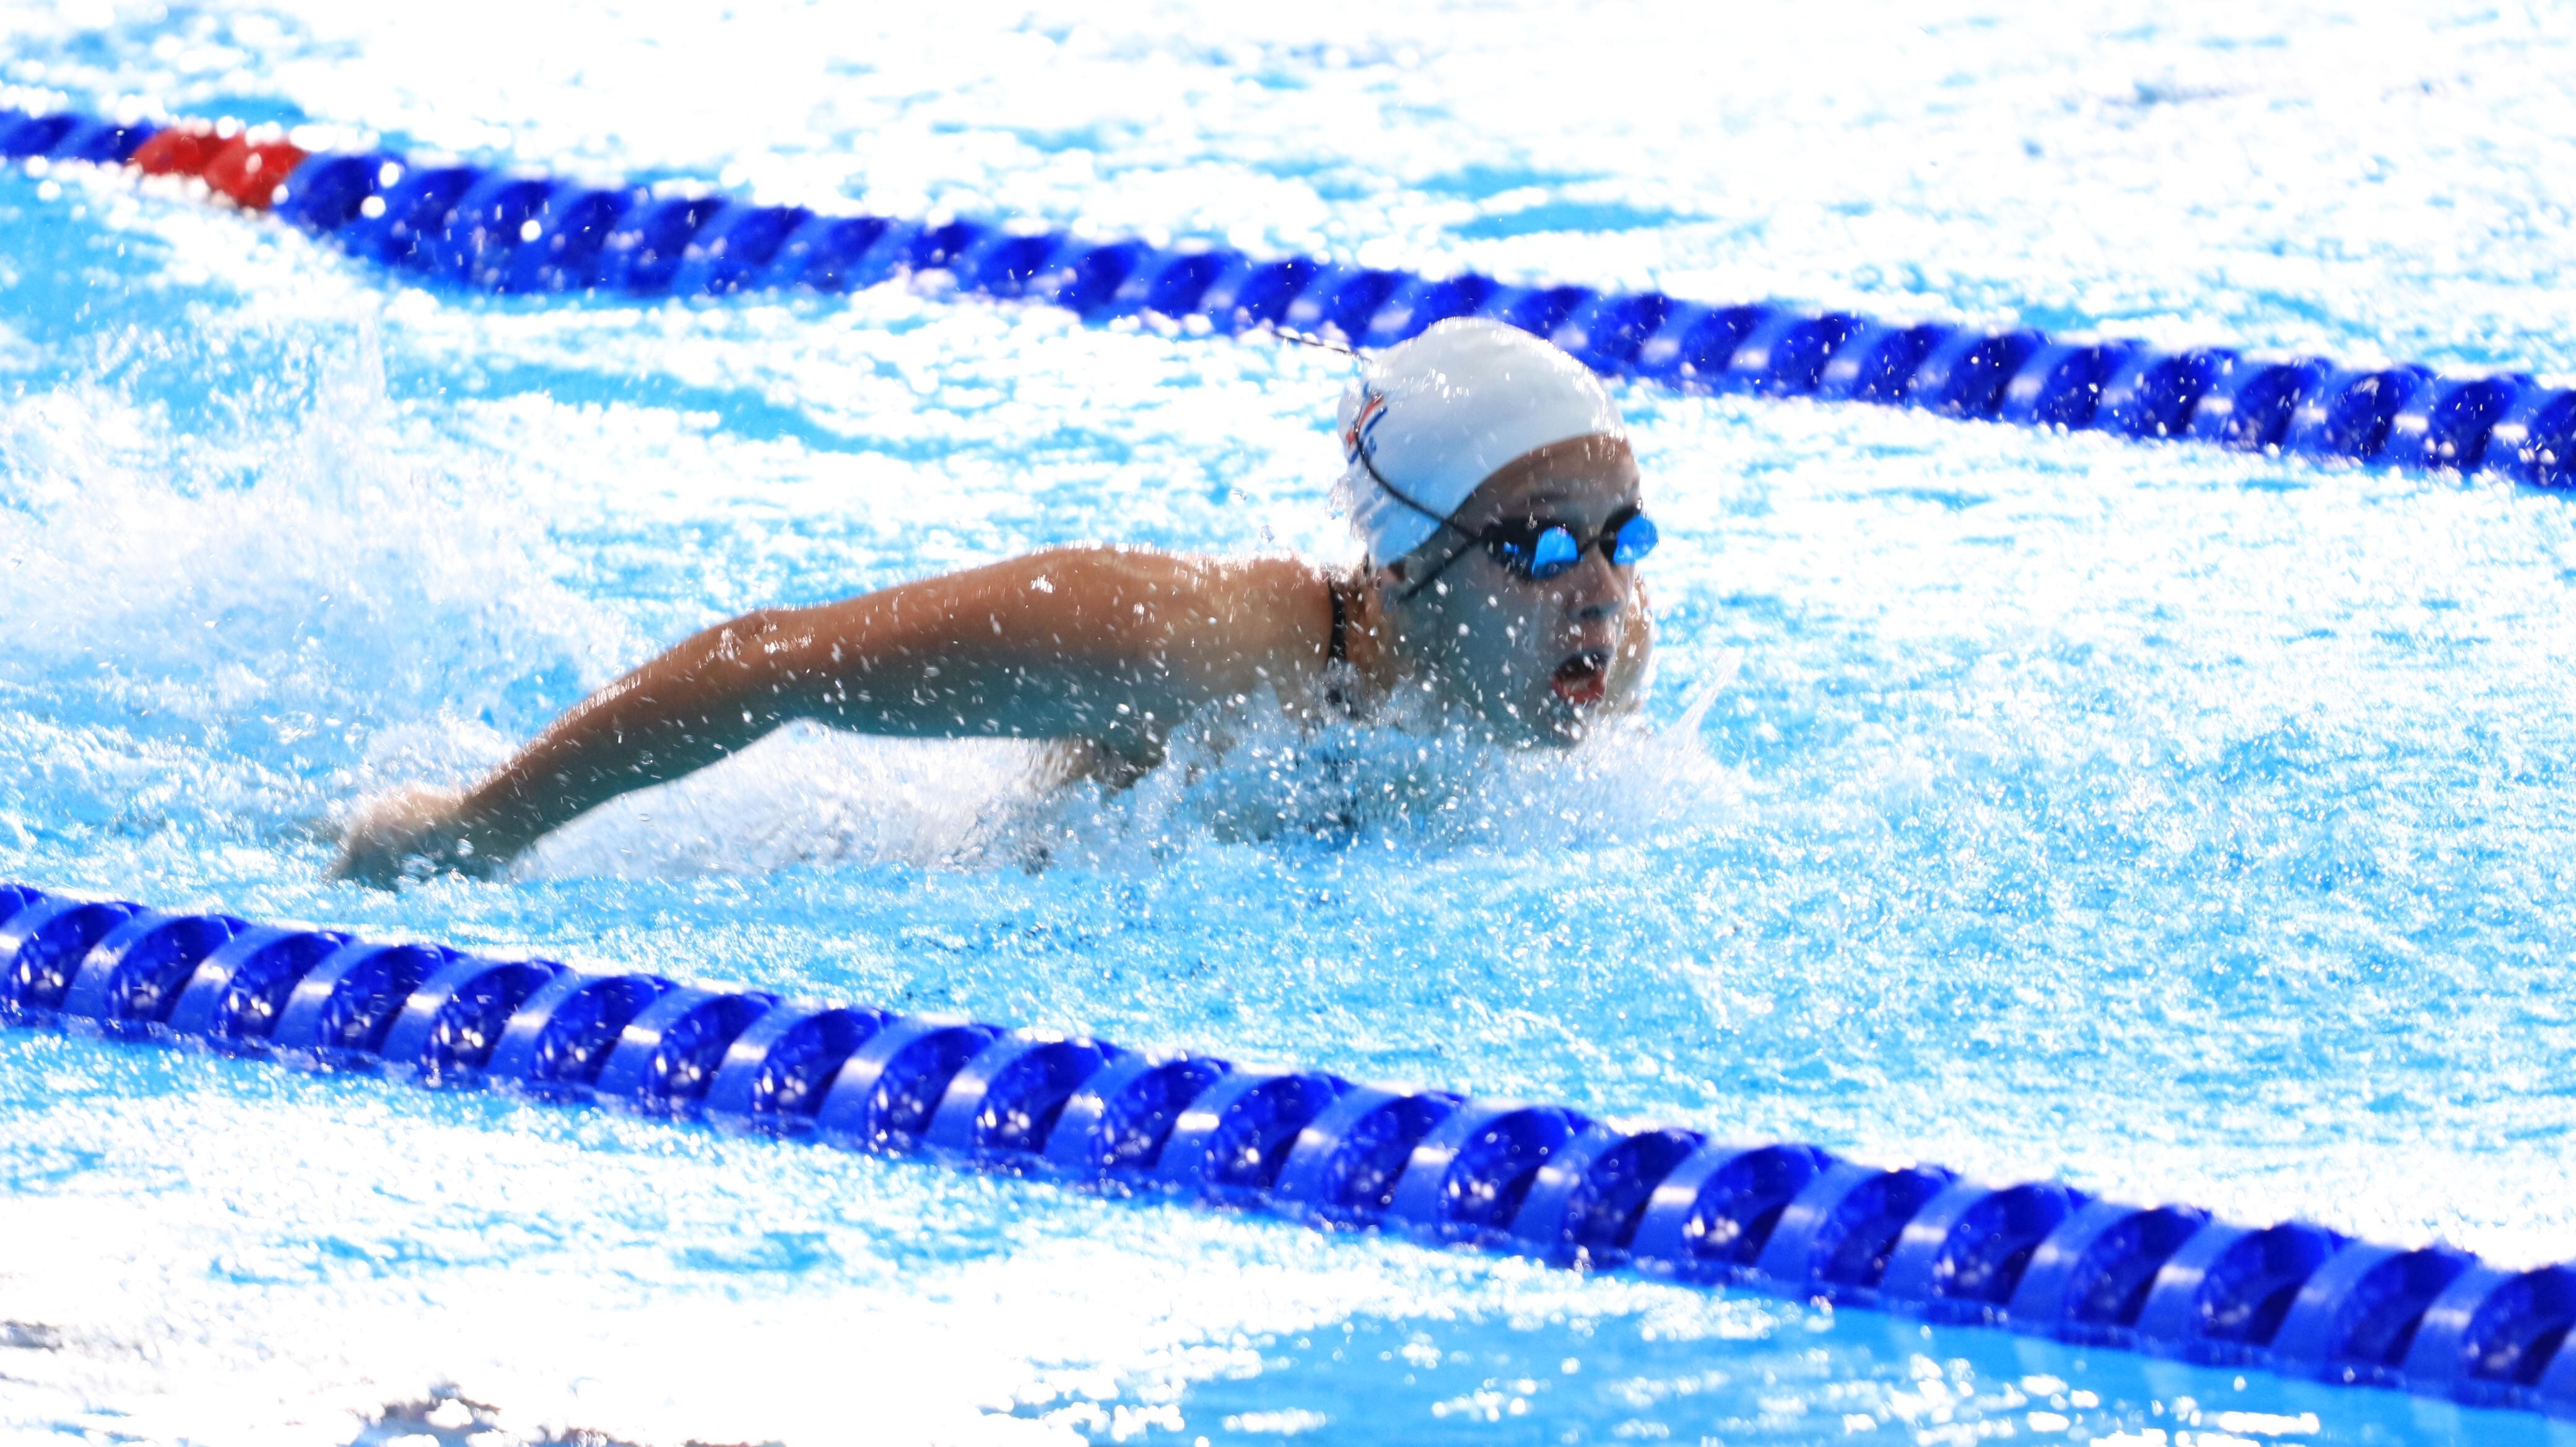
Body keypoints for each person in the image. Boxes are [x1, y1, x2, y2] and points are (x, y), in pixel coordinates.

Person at [332, 318, 1660, 885]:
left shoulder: (1590, 664)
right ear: (1406, 563)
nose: (1598, 599)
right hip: (949, 881)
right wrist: (479, 824)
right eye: (1542, 550)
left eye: (1623, 538)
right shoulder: (1180, 644)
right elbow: (776, 657)